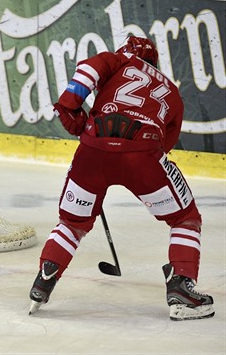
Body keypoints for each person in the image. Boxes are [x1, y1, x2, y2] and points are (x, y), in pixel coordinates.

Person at [28, 36, 214, 321]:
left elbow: (90, 67)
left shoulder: (120, 60)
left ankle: (46, 275)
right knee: (185, 218)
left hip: (92, 150)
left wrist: (70, 104)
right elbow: (167, 143)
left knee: (73, 222)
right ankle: (181, 287)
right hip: (143, 153)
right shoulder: (171, 90)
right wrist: (127, 156)